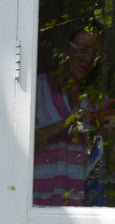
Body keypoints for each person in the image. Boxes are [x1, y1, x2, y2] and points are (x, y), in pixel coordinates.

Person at [33, 27, 110, 207]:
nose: (88, 59)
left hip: (83, 200)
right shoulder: (38, 88)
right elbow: (19, 143)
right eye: (83, 50)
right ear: (66, 50)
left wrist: (107, 136)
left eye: (95, 54)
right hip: (40, 197)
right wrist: (67, 122)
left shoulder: (98, 100)